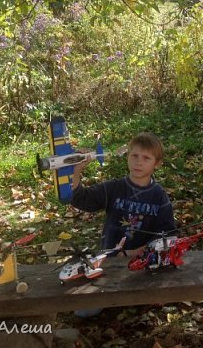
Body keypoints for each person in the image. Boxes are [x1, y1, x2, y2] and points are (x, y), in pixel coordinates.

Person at [70, 132, 176, 317]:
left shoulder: (159, 196)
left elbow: (168, 234)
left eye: (146, 158)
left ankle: (135, 298)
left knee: (144, 302)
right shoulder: (114, 188)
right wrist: (76, 172)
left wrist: (139, 252)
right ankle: (113, 298)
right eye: (134, 155)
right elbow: (81, 198)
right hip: (109, 262)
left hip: (142, 264)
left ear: (156, 164)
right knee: (83, 312)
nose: (138, 162)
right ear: (127, 157)